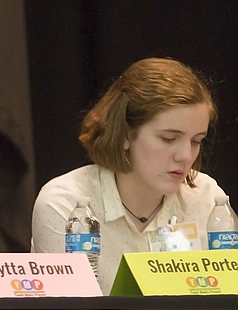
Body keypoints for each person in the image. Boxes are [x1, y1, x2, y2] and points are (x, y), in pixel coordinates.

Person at [31, 57, 226, 295]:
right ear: (124, 134)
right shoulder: (66, 203)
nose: (186, 156)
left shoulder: (207, 198)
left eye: (196, 141)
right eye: (169, 139)